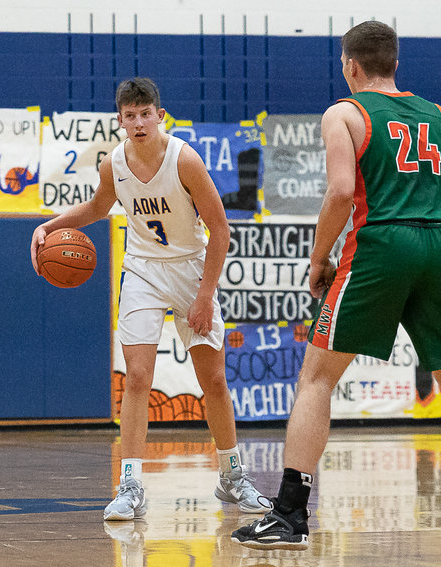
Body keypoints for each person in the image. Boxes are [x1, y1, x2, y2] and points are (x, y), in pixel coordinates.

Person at [231, 21, 441, 555]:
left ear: (350, 65)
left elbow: (343, 190)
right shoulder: (438, 114)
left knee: (317, 379)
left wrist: (319, 258)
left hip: (382, 245)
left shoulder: (344, 112)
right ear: (395, 64)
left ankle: (290, 514)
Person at [30, 77, 268, 521]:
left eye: (145, 114)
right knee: (137, 377)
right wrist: (50, 224)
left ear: (160, 116)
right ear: (119, 120)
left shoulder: (185, 160)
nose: (138, 123)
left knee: (212, 380)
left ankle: (233, 477)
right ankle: (131, 485)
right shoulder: (113, 165)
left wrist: (204, 295)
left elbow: (221, 229)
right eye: (129, 115)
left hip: (191, 269)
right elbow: (99, 208)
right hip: (142, 270)